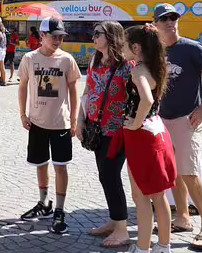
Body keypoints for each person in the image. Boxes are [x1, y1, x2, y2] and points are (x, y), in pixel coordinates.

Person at [154, 3, 202, 249]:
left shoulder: (191, 48)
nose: (170, 21)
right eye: (164, 18)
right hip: (163, 119)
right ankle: (182, 217)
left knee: (188, 171)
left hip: (187, 119)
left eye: (173, 17)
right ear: (156, 23)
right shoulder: (156, 51)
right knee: (174, 172)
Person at [113, 24, 177, 253]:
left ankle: (142, 248)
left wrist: (136, 121)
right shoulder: (155, 67)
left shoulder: (138, 70)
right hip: (157, 131)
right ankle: (163, 246)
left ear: (136, 47)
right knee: (159, 196)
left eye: (124, 44)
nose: (121, 48)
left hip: (142, 136)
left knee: (141, 197)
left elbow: (147, 100)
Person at [18, 17, 80, 234]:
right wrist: (22, 114)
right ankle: (44, 203)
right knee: (41, 163)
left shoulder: (67, 60)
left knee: (60, 166)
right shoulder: (29, 58)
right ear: (42, 36)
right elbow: (23, 86)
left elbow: (73, 90)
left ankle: (60, 209)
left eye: (61, 36)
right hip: (37, 122)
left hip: (60, 123)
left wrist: (74, 119)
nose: (58, 40)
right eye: (54, 36)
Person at [75, 21, 131, 247]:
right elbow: (88, 91)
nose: (93, 38)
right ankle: (114, 220)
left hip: (117, 130)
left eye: (97, 34)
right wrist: (80, 119)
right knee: (104, 175)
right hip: (97, 127)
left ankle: (122, 229)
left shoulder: (126, 64)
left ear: (111, 36)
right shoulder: (95, 60)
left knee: (110, 175)